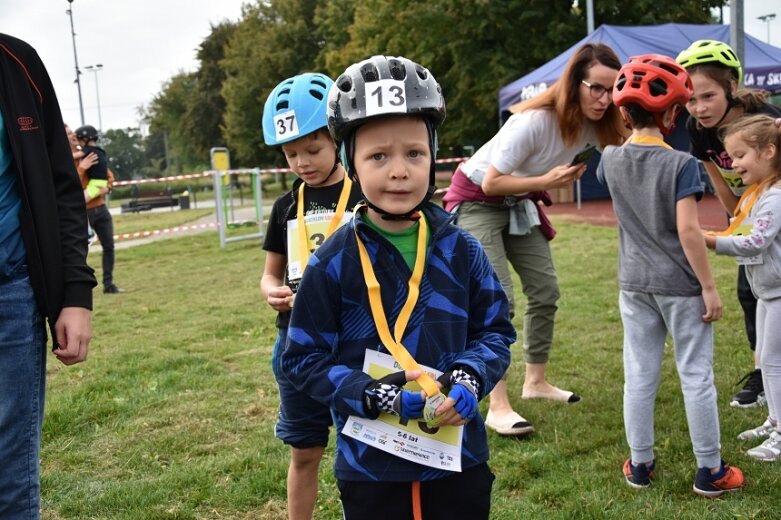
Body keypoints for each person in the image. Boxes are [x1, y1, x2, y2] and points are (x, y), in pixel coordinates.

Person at [281, 55, 514, 520]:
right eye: (378, 156)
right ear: (351, 163)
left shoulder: (462, 250)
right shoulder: (331, 261)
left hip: (457, 462)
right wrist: (372, 394)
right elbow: (302, 359)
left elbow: (496, 331)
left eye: (414, 153)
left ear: (433, 156)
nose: (399, 171)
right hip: (370, 467)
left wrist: (470, 378)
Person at [442, 43, 625, 436]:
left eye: (613, 90)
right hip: (478, 198)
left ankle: (536, 383)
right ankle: (497, 403)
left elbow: (636, 141)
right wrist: (548, 181)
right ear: (575, 83)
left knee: (545, 290)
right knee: (497, 299)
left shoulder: (599, 123)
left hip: (517, 201)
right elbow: (491, 181)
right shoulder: (534, 121)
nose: (604, 99)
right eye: (596, 88)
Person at [598, 53, 744, 497]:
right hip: (681, 287)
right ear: (674, 113)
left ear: (623, 113)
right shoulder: (683, 165)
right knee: (695, 375)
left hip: (634, 284)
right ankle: (710, 470)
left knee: (639, 374)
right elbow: (687, 230)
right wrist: (709, 287)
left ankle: (640, 464)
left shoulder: (608, 159)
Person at [0, 33, 96, 518]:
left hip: (12, 297)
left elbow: (63, 187)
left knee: (9, 475)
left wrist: (75, 294)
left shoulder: (19, 64)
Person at [260, 72, 363, 520]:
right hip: (297, 345)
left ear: (337, 139)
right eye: (291, 154)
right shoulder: (285, 206)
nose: (302, 162)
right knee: (305, 452)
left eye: (313, 149)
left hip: (355, 345)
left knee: (359, 450)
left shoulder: (364, 195)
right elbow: (268, 275)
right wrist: (272, 293)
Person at [676, 40, 781, 409]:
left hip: (775, 206)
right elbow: (715, 175)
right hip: (745, 209)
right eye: (691, 99)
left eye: (708, 96)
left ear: (731, 88)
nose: (699, 108)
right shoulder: (697, 128)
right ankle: (764, 373)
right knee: (749, 290)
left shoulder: (766, 120)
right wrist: (738, 218)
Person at [705, 114, 781, 461]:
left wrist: (710, 242)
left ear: (768, 151)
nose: (733, 165)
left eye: (739, 156)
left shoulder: (775, 196)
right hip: (768, 292)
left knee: (775, 361)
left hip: (779, 293)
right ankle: (775, 420)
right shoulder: (759, 192)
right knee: (766, 360)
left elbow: (756, 242)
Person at [72, 124, 123, 294]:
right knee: (79, 252)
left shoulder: (93, 154)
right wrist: (81, 169)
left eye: (75, 138)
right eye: (72, 138)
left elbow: (108, 177)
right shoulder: (72, 161)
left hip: (100, 208)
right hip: (83, 212)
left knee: (109, 246)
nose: (75, 141)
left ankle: (108, 285)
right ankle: (79, 288)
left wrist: (107, 188)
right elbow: (70, 188)